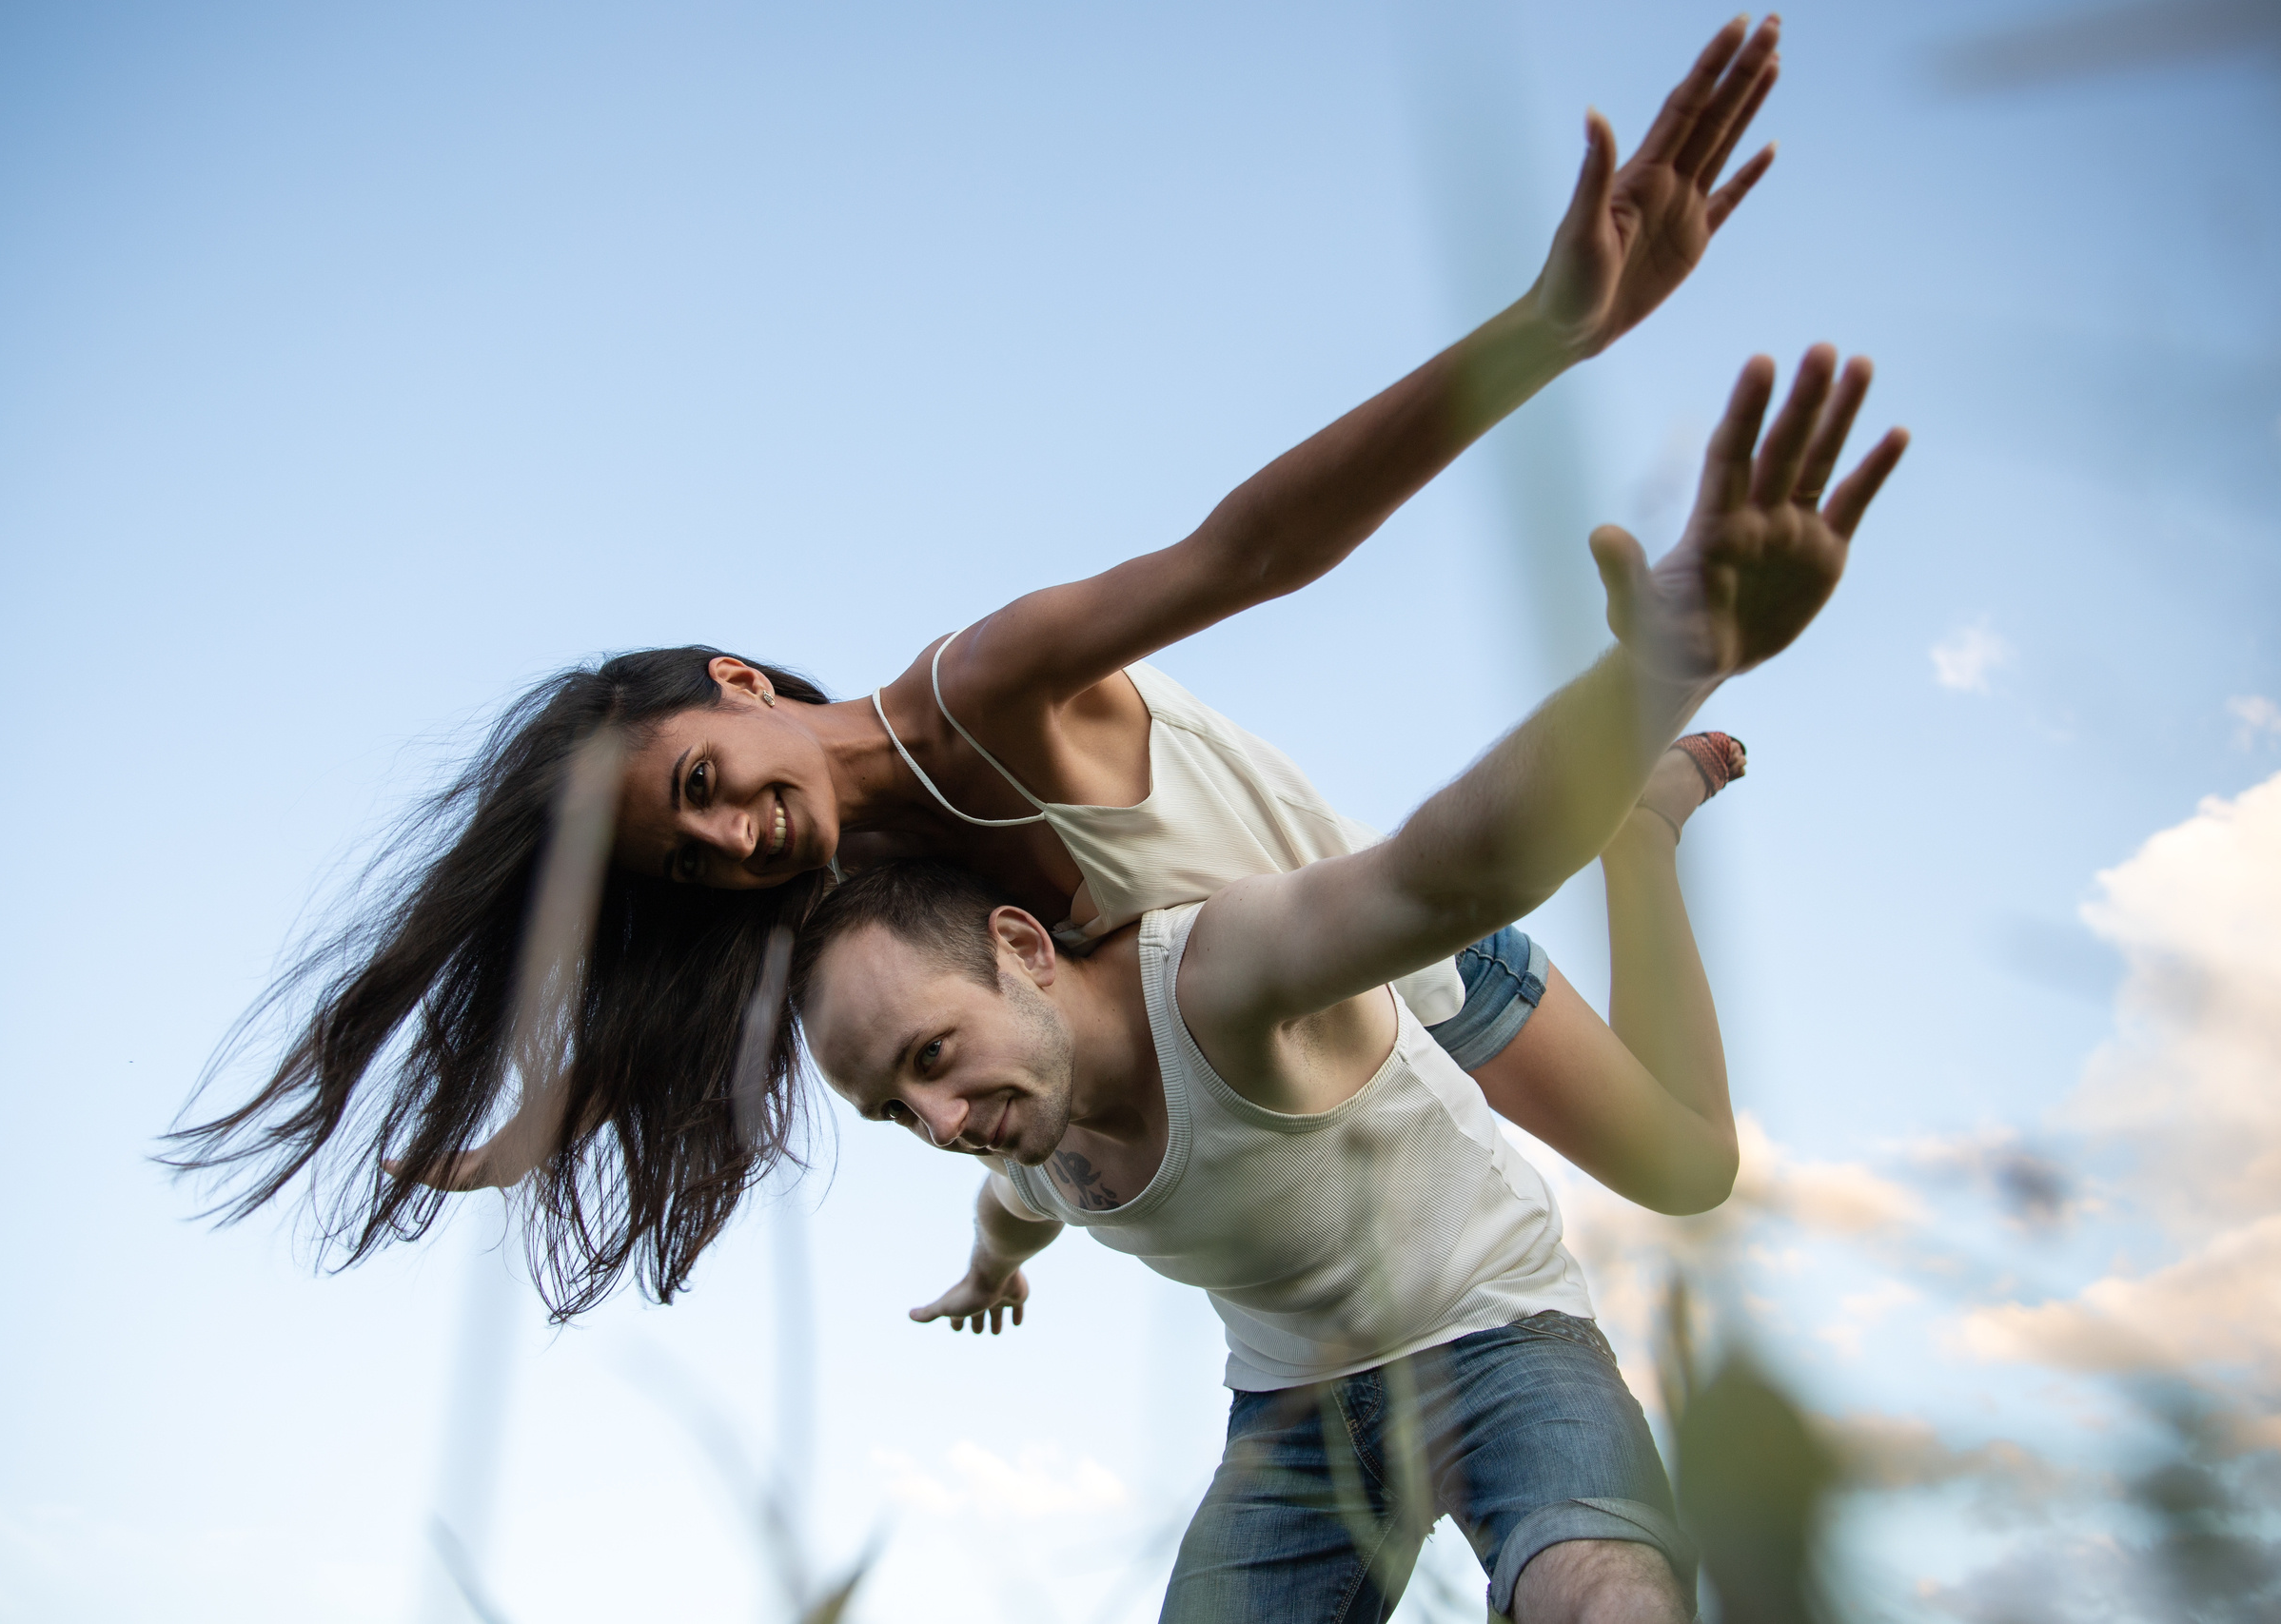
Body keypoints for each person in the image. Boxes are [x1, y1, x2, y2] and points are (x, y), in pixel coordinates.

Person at [171, 20, 1794, 1318]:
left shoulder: (982, 688)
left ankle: (1635, 830)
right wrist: (552, 1116)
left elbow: (1249, 552)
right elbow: (691, 1023)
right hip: (1299, 1093)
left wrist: (1550, 327)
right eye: (692, 856)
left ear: (737, 685)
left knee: (1687, 1168)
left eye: (700, 787)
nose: (732, 837)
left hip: (1408, 947)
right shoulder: (856, 886)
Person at [787, 351, 1906, 1623]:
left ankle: (1636, 832)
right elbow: (1015, 1210)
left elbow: (1443, 878)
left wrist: (1666, 675)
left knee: (1614, 1554)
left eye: (929, 1062)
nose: (936, 1122)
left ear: (1026, 948)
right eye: (893, 1111)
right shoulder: (1022, 1120)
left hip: (1483, 1276)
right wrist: (992, 1272)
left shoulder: (1203, 971)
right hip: (1294, 1416)